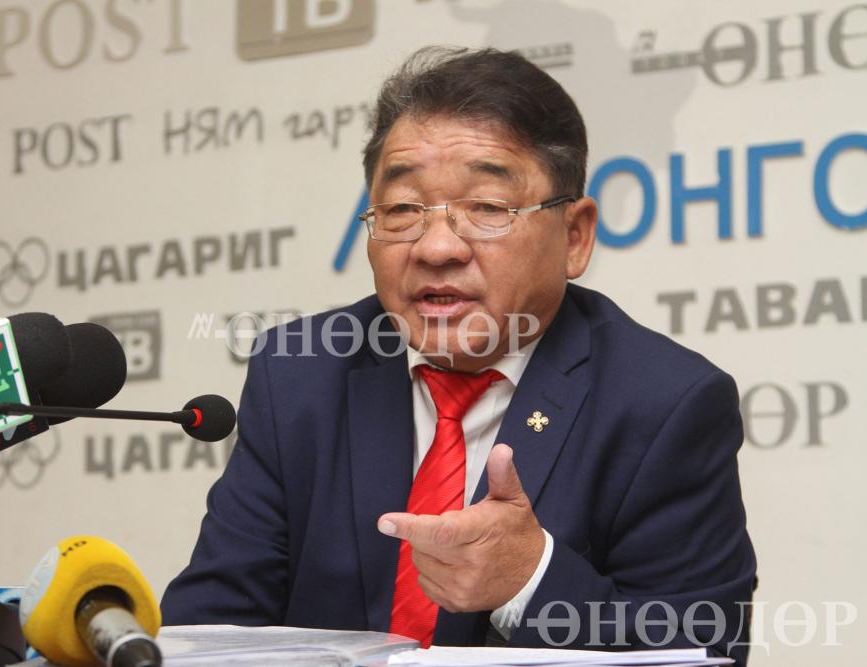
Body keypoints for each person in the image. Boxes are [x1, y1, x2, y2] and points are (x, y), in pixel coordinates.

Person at [161, 46, 757, 662]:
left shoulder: (664, 403)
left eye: (487, 209)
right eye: (402, 209)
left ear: (575, 237)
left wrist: (531, 581)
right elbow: (210, 630)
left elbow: (701, 646)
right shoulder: (301, 375)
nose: (437, 247)